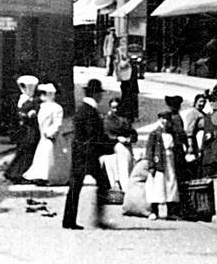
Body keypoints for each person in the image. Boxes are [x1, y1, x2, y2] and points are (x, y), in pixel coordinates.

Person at [62, 79, 116, 230]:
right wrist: (113, 145)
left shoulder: (82, 109)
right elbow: (95, 137)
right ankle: (98, 219)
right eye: (100, 93)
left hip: (80, 154)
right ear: (96, 94)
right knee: (102, 184)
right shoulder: (90, 112)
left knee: (75, 186)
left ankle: (69, 220)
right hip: (88, 156)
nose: (101, 97)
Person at [144, 111, 183, 220]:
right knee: (158, 185)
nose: (165, 121)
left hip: (170, 161)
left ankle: (171, 211)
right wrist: (151, 165)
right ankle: (154, 211)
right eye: (162, 119)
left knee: (170, 185)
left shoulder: (173, 134)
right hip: (159, 162)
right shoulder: (155, 134)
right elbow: (149, 150)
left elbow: (177, 148)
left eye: (167, 119)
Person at [24, 83, 64, 182]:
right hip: (43, 136)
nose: (43, 96)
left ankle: (48, 176)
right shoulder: (41, 107)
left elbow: (57, 123)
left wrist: (51, 132)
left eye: (45, 94)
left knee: (49, 155)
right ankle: (40, 176)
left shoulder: (57, 108)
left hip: (51, 136)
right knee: (42, 156)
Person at [5, 77, 40, 180]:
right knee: (24, 151)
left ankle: (16, 172)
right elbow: (16, 113)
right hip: (24, 129)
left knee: (25, 151)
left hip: (29, 128)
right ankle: (16, 173)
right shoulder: (22, 99)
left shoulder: (32, 100)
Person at [103, 97, 137, 193]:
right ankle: (125, 188)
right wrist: (118, 138)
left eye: (117, 107)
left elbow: (133, 132)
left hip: (126, 144)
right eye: (113, 108)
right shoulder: (108, 119)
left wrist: (129, 138)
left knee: (129, 164)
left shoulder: (125, 119)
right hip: (114, 147)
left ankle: (128, 187)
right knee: (122, 165)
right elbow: (107, 134)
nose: (115, 110)